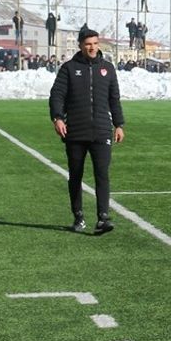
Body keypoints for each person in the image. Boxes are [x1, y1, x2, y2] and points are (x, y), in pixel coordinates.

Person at [49, 27, 125, 235]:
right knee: (76, 175)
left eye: (95, 44)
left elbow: (114, 99)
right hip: (75, 131)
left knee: (102, 174)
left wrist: (119, 124)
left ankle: (103, 218)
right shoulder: (69, 68)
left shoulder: (107, 68)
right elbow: (57, 95)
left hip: (102, 130)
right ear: (81, 45)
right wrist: (58, 118)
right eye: (88, 44)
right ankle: (78, 215)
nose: (92, 48)